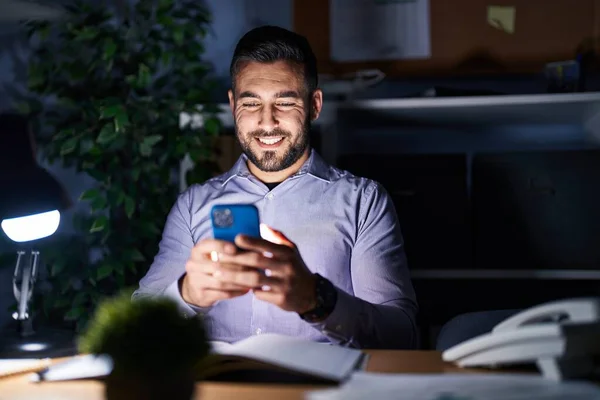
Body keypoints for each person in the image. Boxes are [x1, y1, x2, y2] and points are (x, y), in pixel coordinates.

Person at [133, 25, 418, 349]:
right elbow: (136, 327)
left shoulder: (363, 202)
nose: (267, 122)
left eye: (284, 103)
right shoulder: (192, 205)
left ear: (314, 105)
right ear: (232, 104)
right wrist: (186, 294)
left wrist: (316, 300)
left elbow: (402, 335)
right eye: (251, 103)